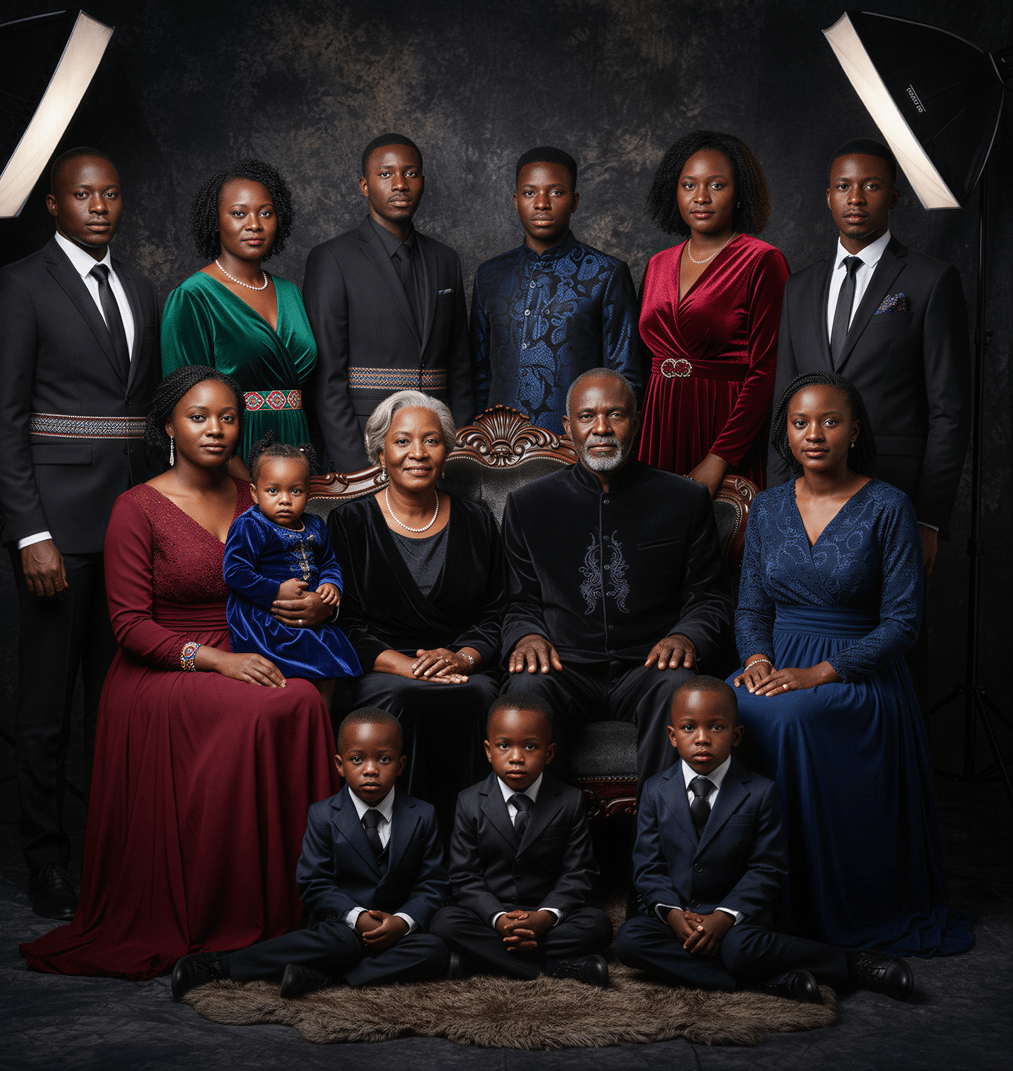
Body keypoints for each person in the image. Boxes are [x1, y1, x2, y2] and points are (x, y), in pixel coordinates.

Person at [19, 367, 338, 979]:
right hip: (166, 666)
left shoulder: (259, 497)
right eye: (198, 417)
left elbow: (303, 566)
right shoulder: (136, 507)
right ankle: (228, 909)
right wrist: (217, 660)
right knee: (273, 704)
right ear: (168, 426)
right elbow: (130, 627)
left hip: (252, 645)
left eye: (227, 417)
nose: (215, 430)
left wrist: (315, 599)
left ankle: (294, 908)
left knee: (300, 701)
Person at [0, 147, 160, 920]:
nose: (99, 206)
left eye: (111, 194)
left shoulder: (142, 287)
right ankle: (47, 861)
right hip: (57, 529)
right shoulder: (18, 286)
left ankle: (108, 853)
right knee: (48, 709)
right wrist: (30, 533)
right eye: (83, 195)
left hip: (129, 524)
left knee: (116, 706)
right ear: (53, 204)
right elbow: (2, 420)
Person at [733, 372, 973, 956]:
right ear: (785, 433)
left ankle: (808, 905)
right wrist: (759, 658)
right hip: (779, 663)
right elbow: (748, 607)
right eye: (799, 423)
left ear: (854, 430)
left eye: (829, 421)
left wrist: (817, 675)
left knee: (789, 720)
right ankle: (729, 898)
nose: (814, 434)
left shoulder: (889, 506)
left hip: (857, 674)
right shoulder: (766, 508)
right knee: (712, 709)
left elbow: (902, 625)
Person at [616, 678, 914, 1002]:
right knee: (631, 940)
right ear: (673, 737)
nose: (702, 739)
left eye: (716, 728)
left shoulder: (760, 791)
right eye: (689, 728)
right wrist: (674, 915)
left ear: (736, 735)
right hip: (680, 916)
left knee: (741, 950)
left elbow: (767, 867)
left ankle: (851, 964)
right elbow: (648, 866)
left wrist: (723, 916)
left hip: (736, 920)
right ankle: (762, 983)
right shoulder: (655, 789)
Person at [503, 368, 733, 785]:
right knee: (525, 692)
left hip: (649, 666)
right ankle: (551, 840)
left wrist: (686, 637)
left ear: (638, 420)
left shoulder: (684, 499)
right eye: (587, 416)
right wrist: (526, 636)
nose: (602, 428)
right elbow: (518, 600)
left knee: (680, 687)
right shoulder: (527, 504)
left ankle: (660, 842)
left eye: (616, 415)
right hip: (564, 666)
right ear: (567, 426)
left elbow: (710, 597)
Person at [769, 138, 970, 578]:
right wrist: (778, 505)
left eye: (872, 186)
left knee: (892, 631)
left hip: (894, 490)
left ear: (894, 197)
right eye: (843, 186)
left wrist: (928, 517)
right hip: (808, 495)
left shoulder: (931, 281)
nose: (855, 198)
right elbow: (782, 405)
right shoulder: (799, 287)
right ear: (828, 196)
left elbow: (949, 411)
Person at [171, 708, 450, 999]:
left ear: (401, 764)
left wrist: (402, 921)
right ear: (340, 765)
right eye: (357, 759)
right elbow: (313, 882)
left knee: (434, 950)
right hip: (342, 928)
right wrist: (356, 917)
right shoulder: (323, 815)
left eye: (384, 759)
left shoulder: (423, 815)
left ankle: (330, 980)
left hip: (394, 931)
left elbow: (432, 884)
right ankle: (223, 966)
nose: (370, 769)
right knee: (340, 945)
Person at [329, 390, 504, 814]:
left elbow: (498, 612)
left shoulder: (477, 519)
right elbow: (346, 624)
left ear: (446, 452)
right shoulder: (350, 523)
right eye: (403, 441)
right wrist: (408, 667)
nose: (418, 453)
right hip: (383, 669)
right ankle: (400, 844)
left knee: (481, 695)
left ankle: (471, 844)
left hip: (461, 668)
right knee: (401, 697)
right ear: (381, 452)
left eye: (432, 440)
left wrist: (462, 658)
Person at [304, 133, 474, 471]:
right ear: (365, 186)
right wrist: (354, 465)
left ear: (422, 182)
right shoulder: (332, 258)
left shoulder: (445, 259)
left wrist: (461, 448)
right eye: (386, 174)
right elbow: (327, 380)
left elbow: (460, 368)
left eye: (410, 173)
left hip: (437, 444)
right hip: (367, 441)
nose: (400, 184)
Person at [636, 131, 789, 494]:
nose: (700, 197)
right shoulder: (658, 264)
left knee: (723, 540)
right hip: (658, 423)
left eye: (716, 185)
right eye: (689, 185)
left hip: (724, 427)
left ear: (739, 194)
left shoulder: (763, 261)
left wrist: (720, 457)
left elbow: (768, 370)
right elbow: (642, 362)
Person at [430, 695, 613, 986]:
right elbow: (464, 876)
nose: (516, 757)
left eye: (530, 746)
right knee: (444, 922)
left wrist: (544, 917)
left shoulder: (569, 800)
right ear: (489, 751)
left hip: (545, 913)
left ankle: (479, 959)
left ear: (549, 752)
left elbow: (579, 873)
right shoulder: (469, 801)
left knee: (599, 926)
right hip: (491, 914)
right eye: (504, 746)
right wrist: (497, 918)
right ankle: (553, 966)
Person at [470, 146, 642, 430]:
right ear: (515, 201)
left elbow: (626, 378)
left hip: (575, 450)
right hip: (498, 449)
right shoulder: (490, 275)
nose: (541, 203)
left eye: (556, 192)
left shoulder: (606, 273)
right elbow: (478, 374)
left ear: (574, 201)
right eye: (529, 193)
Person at [161, 159, 317, 467]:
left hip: (296, 449)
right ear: (215, 221)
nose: (254, 224)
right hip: (235, 452)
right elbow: (184, 400)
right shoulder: (193, 296)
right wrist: (235, 469)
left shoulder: (290, 292)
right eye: (238, 213)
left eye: (265, 213)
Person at [223, 434, 360, 710]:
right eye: (273, 491)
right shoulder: (252, 525)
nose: (284, 500)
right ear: (254, 493)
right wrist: (277, 591)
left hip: (308, 617)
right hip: (265, 619)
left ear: (308, 493)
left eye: (295, 491)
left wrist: (332, 584)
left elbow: (329, 561)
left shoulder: (315, 525)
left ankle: (322, 727)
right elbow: (235, 572)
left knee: (329, 670)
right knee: (292, 683)